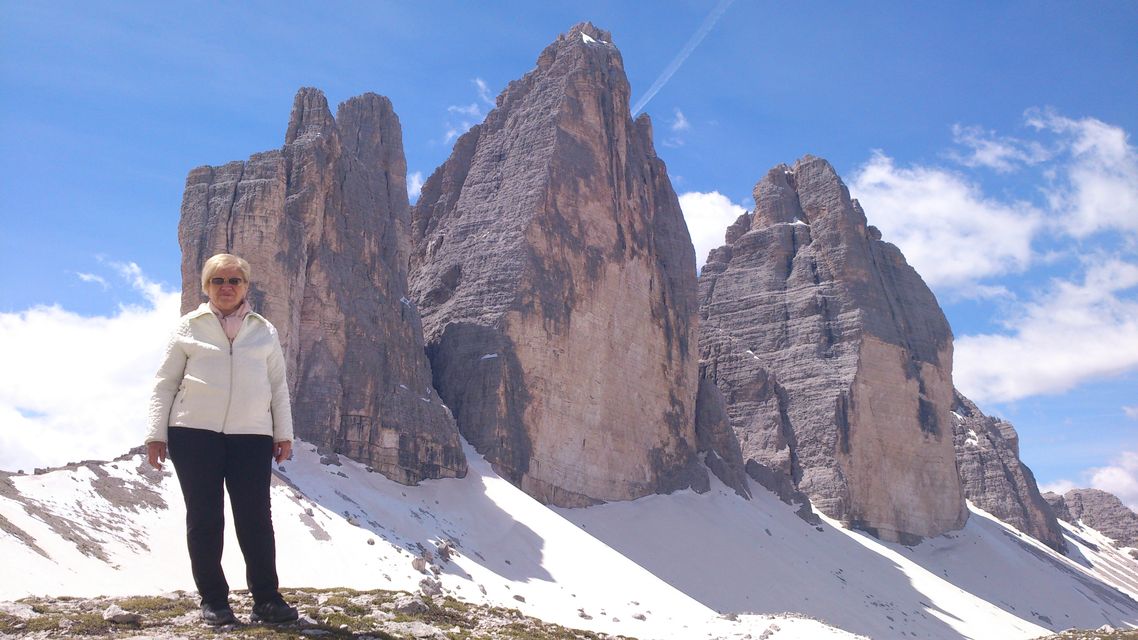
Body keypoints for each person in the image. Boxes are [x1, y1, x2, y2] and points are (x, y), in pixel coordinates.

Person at [145, 253, 299, 626]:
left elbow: (277, 386)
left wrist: (284, 434)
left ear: (246, 286)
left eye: (234, 280)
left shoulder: (264, 330)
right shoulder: (188, 327)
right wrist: (155, 433)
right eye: (218, 281)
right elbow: (164, 382)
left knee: (256, 518)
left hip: (252, 435)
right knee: (205, 517)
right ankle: (214, 600)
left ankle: (266, 599)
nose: (226, 287)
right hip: (193, 433)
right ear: (206, 287)